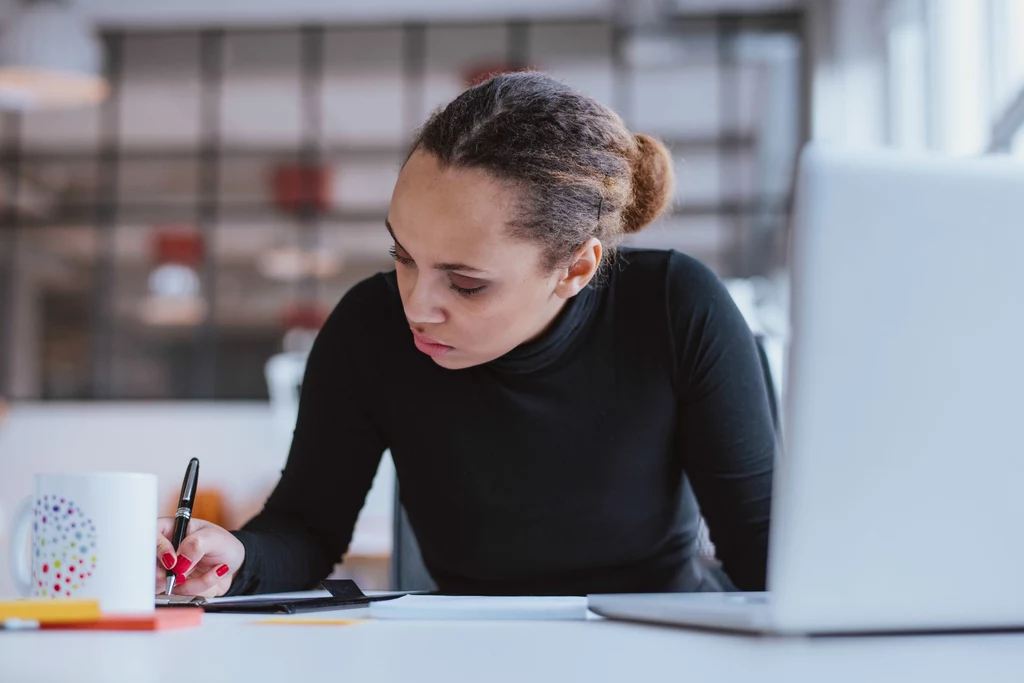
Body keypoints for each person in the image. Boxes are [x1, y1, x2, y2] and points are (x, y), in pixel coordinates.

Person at [155, 72, 776, 598]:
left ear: (576, 268)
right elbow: (307, 527)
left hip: (658, 648)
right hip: (466, 647)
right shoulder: (369, 327)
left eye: (466, 283)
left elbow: (761, 543)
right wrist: (235, 558)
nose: (418, 307)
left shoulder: (675, 306)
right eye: (403, 257)